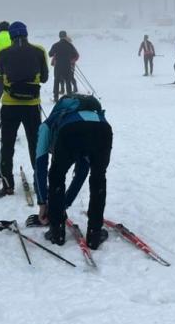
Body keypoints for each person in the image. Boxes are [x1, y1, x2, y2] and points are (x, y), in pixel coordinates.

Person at [33, 94, 114, 250]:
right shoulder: (85, 115)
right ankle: (94, 234)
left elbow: (40, 167)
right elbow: (82, 171)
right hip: (103, 129)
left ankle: (57, 233)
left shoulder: (46, 127)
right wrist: (63, 205)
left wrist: (43, 203)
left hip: (70, 132)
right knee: (98, 179)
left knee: (56, 176)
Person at [0, 21, 50, 197]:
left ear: (11, 36)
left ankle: (7, 184)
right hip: (32, 106)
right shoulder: (39, 50)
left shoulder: (3, 52)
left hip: (9, 105)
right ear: (26, 34)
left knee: (7, 145)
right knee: (36, 144)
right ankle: (39, 183)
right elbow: (45, 78)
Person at [49, 31, 80, 102]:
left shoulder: (55, 45)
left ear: (59, 36)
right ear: (65, 36)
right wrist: (69, 58)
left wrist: (55, 54)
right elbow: (75, 55)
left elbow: (50, 54)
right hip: (67, 65)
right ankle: (69, 97)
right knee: (68, 81)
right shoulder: (70, 45)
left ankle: (56, 97)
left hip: (58, 66)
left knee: (56, 81)